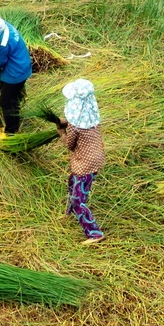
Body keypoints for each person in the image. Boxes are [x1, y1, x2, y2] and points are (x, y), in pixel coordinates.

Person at [56, 79, 105, 244]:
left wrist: (61, 131)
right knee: (73, 183)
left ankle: (94, 233)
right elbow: (76, 123)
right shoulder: (91, 119)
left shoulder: (75, 128)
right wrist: (66, 123)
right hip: (96, 159)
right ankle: (69, 213)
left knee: (79, 200)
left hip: (84, 164)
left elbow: (69, 145)